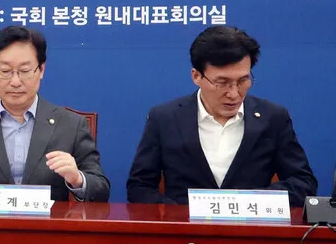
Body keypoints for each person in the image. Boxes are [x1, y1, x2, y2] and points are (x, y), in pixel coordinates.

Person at [127, 25, 317, 206]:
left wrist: (252, 203)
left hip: (251, 232)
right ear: (196, 76)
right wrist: (177, 214)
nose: (234, 93)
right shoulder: (165, 118)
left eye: (243, 80)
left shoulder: (273, 118)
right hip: (185, 235)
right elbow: (139, 186)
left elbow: (303, 183)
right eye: (222, 82)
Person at [0, 26, 110, 201]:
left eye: (24, 71)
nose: (15, 82)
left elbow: (100, 189)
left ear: (41, 70)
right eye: (5, 71)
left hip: (49, 229)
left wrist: (77, 179)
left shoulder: (71, 125)